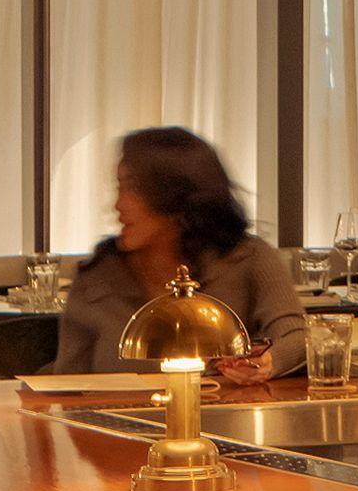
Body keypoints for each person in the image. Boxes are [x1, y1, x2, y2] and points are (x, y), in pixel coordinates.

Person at [53, 126, 308, 384]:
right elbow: (65, 384)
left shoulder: (246, 258)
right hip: (115, 411)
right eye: (119, 188)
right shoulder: (97, 276)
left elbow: (297, 338)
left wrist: (266, 363)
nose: (118, 205)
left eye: (132, 189)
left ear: (173, 195)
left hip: (222, 410)